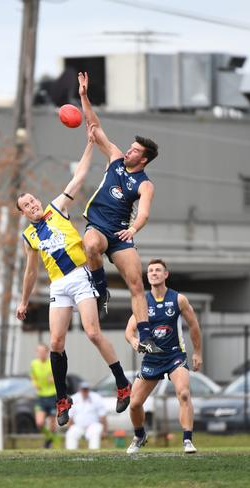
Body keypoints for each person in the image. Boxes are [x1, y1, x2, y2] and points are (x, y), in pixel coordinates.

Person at [16, 133, 131, 427]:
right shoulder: (29, 236)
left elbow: (79, 177)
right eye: (26, 205)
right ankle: (62, 399)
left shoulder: (56, 208)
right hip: (58, 285)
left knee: (93, 333)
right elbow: (31, 272)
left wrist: (90, 145)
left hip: (81, 276)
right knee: (55, 341)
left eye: (32, 200)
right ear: (24, 214)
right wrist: (23, 300)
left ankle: (121, 382)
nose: (31, 204)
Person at [77, 72, 158, 348]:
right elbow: (94, 126)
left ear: (143, 159)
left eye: (135, 151)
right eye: (130, 148)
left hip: (121, 233)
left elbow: (144, 213)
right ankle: (101, 291)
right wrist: (84, 97)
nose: (129, 151)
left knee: (137, 284)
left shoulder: (145, 184)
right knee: (90, 246)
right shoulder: (115, 158)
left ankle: (146, 337)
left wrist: (133, 229)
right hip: (98, 225)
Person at [124, 258, 203, 454]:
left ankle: (187, 440)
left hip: (175, 356)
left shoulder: (178, 299)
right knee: (134, 404)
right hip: (152, 359)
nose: (154, 273)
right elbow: (129, 331)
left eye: (158, 270)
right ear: (148, 276)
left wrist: (198, 353)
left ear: (166, 274)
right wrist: (135, 342)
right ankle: (140, 435)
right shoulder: (142, 301)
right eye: (150, 271)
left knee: (184, 393)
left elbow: (194, 325)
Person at [30, 343, 60, 448]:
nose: (41, 354)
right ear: (37, 353)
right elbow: (33, 376)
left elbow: (59, 376)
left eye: (43, 351)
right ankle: (49, 438)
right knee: (39, 423)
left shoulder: (51, 363)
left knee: (52, 423)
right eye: (39, 351)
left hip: (52, 395)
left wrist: (53, 379)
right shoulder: (34, 364)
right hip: (41, 396)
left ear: (47, 352)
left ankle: (51, 443)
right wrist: (34, 383)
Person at [65, 381, 107, 450]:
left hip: (93, 425)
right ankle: (71, 453)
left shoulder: (96, 398)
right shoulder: (74, 398)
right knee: (70, 433)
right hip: (78, 426)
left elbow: (103, 416)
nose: (85, 391)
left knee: (95, 432)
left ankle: (94, 453)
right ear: (80, 390)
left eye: (86, 389)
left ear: (89, 390)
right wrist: (70, 427)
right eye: (83, 389)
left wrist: (105, 431)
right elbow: (70, 417)